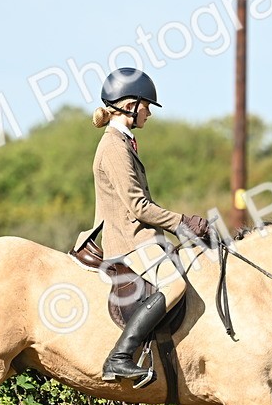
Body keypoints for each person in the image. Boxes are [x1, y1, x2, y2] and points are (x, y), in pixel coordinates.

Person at [72, 68, 210, 387]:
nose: (149, 112)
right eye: (147, 105)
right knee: (175, 285)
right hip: (129, 241)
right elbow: (138, 207)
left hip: (140, 236)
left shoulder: (124, 143)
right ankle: (120, 356)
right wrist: (182, 222)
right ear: (131, 105)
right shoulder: (114, 146)